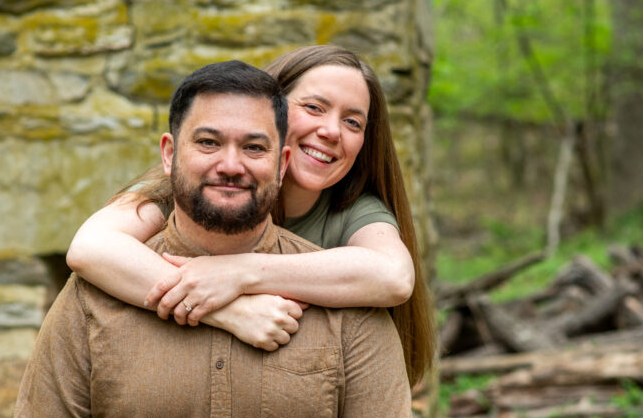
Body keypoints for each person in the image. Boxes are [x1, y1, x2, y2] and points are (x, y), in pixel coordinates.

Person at [0, 60, 439, 418]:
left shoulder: (347, 289)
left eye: (254, 147)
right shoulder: (100, 289)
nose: (231, 164)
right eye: (207, 143)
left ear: (281, 161)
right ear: (168, 154)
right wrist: (223, 304)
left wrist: (244, 272)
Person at [66, 45, 435, 388]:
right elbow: (90, 246)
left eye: (353, 123)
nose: (331, 131)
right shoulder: (195, 188)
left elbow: (395, 276)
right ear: (269, 108)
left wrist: (239, 273)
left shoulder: (355, 209)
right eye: (314, 107)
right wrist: (228, 311)